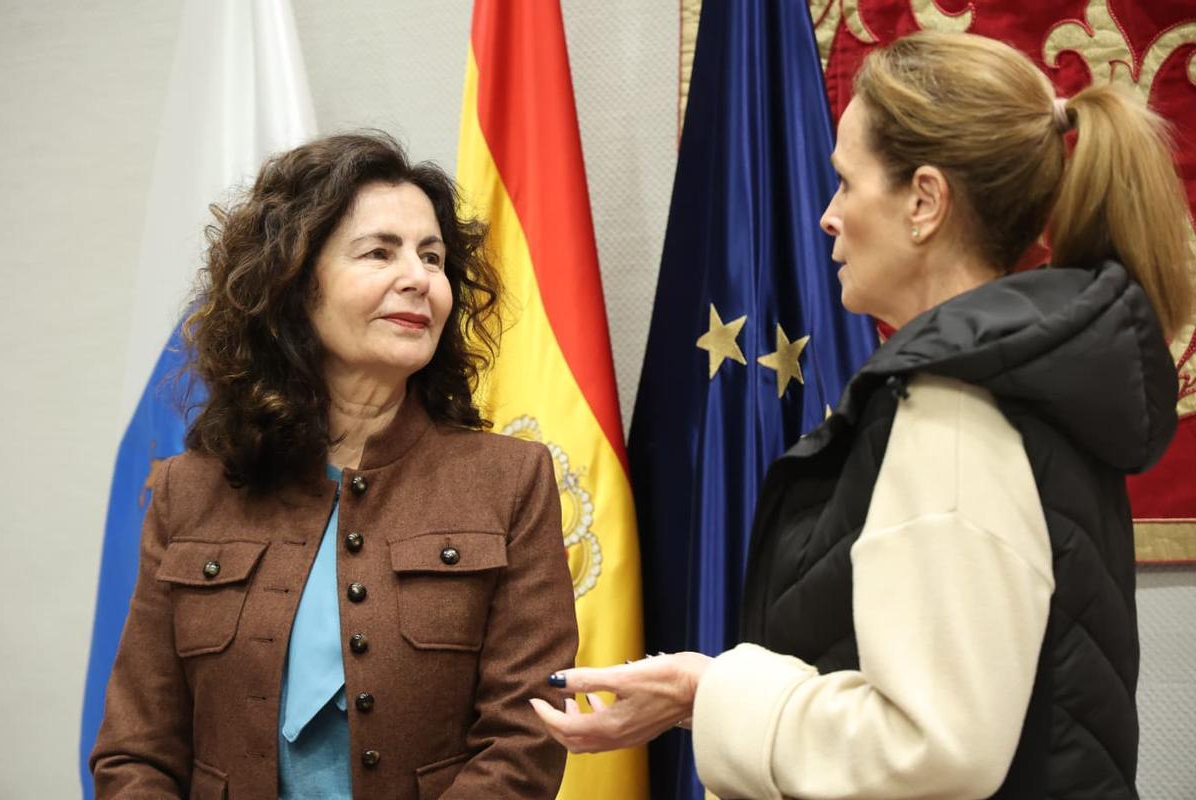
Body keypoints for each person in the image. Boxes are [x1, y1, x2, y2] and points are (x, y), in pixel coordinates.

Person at [532, 30, 1193, 800]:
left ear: (923, 201)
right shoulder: (1011, 383)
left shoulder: (954, 411)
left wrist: (707, 695)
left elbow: (932, 749)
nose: (827, 217)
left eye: (845, 183)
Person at [91, 132, 578, 799]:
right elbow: (135, 753)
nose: (419, 277)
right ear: (294, 284)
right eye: (380, 252)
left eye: (432, 258)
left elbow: (525, 739)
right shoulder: (189, 492)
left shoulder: (509, 481)